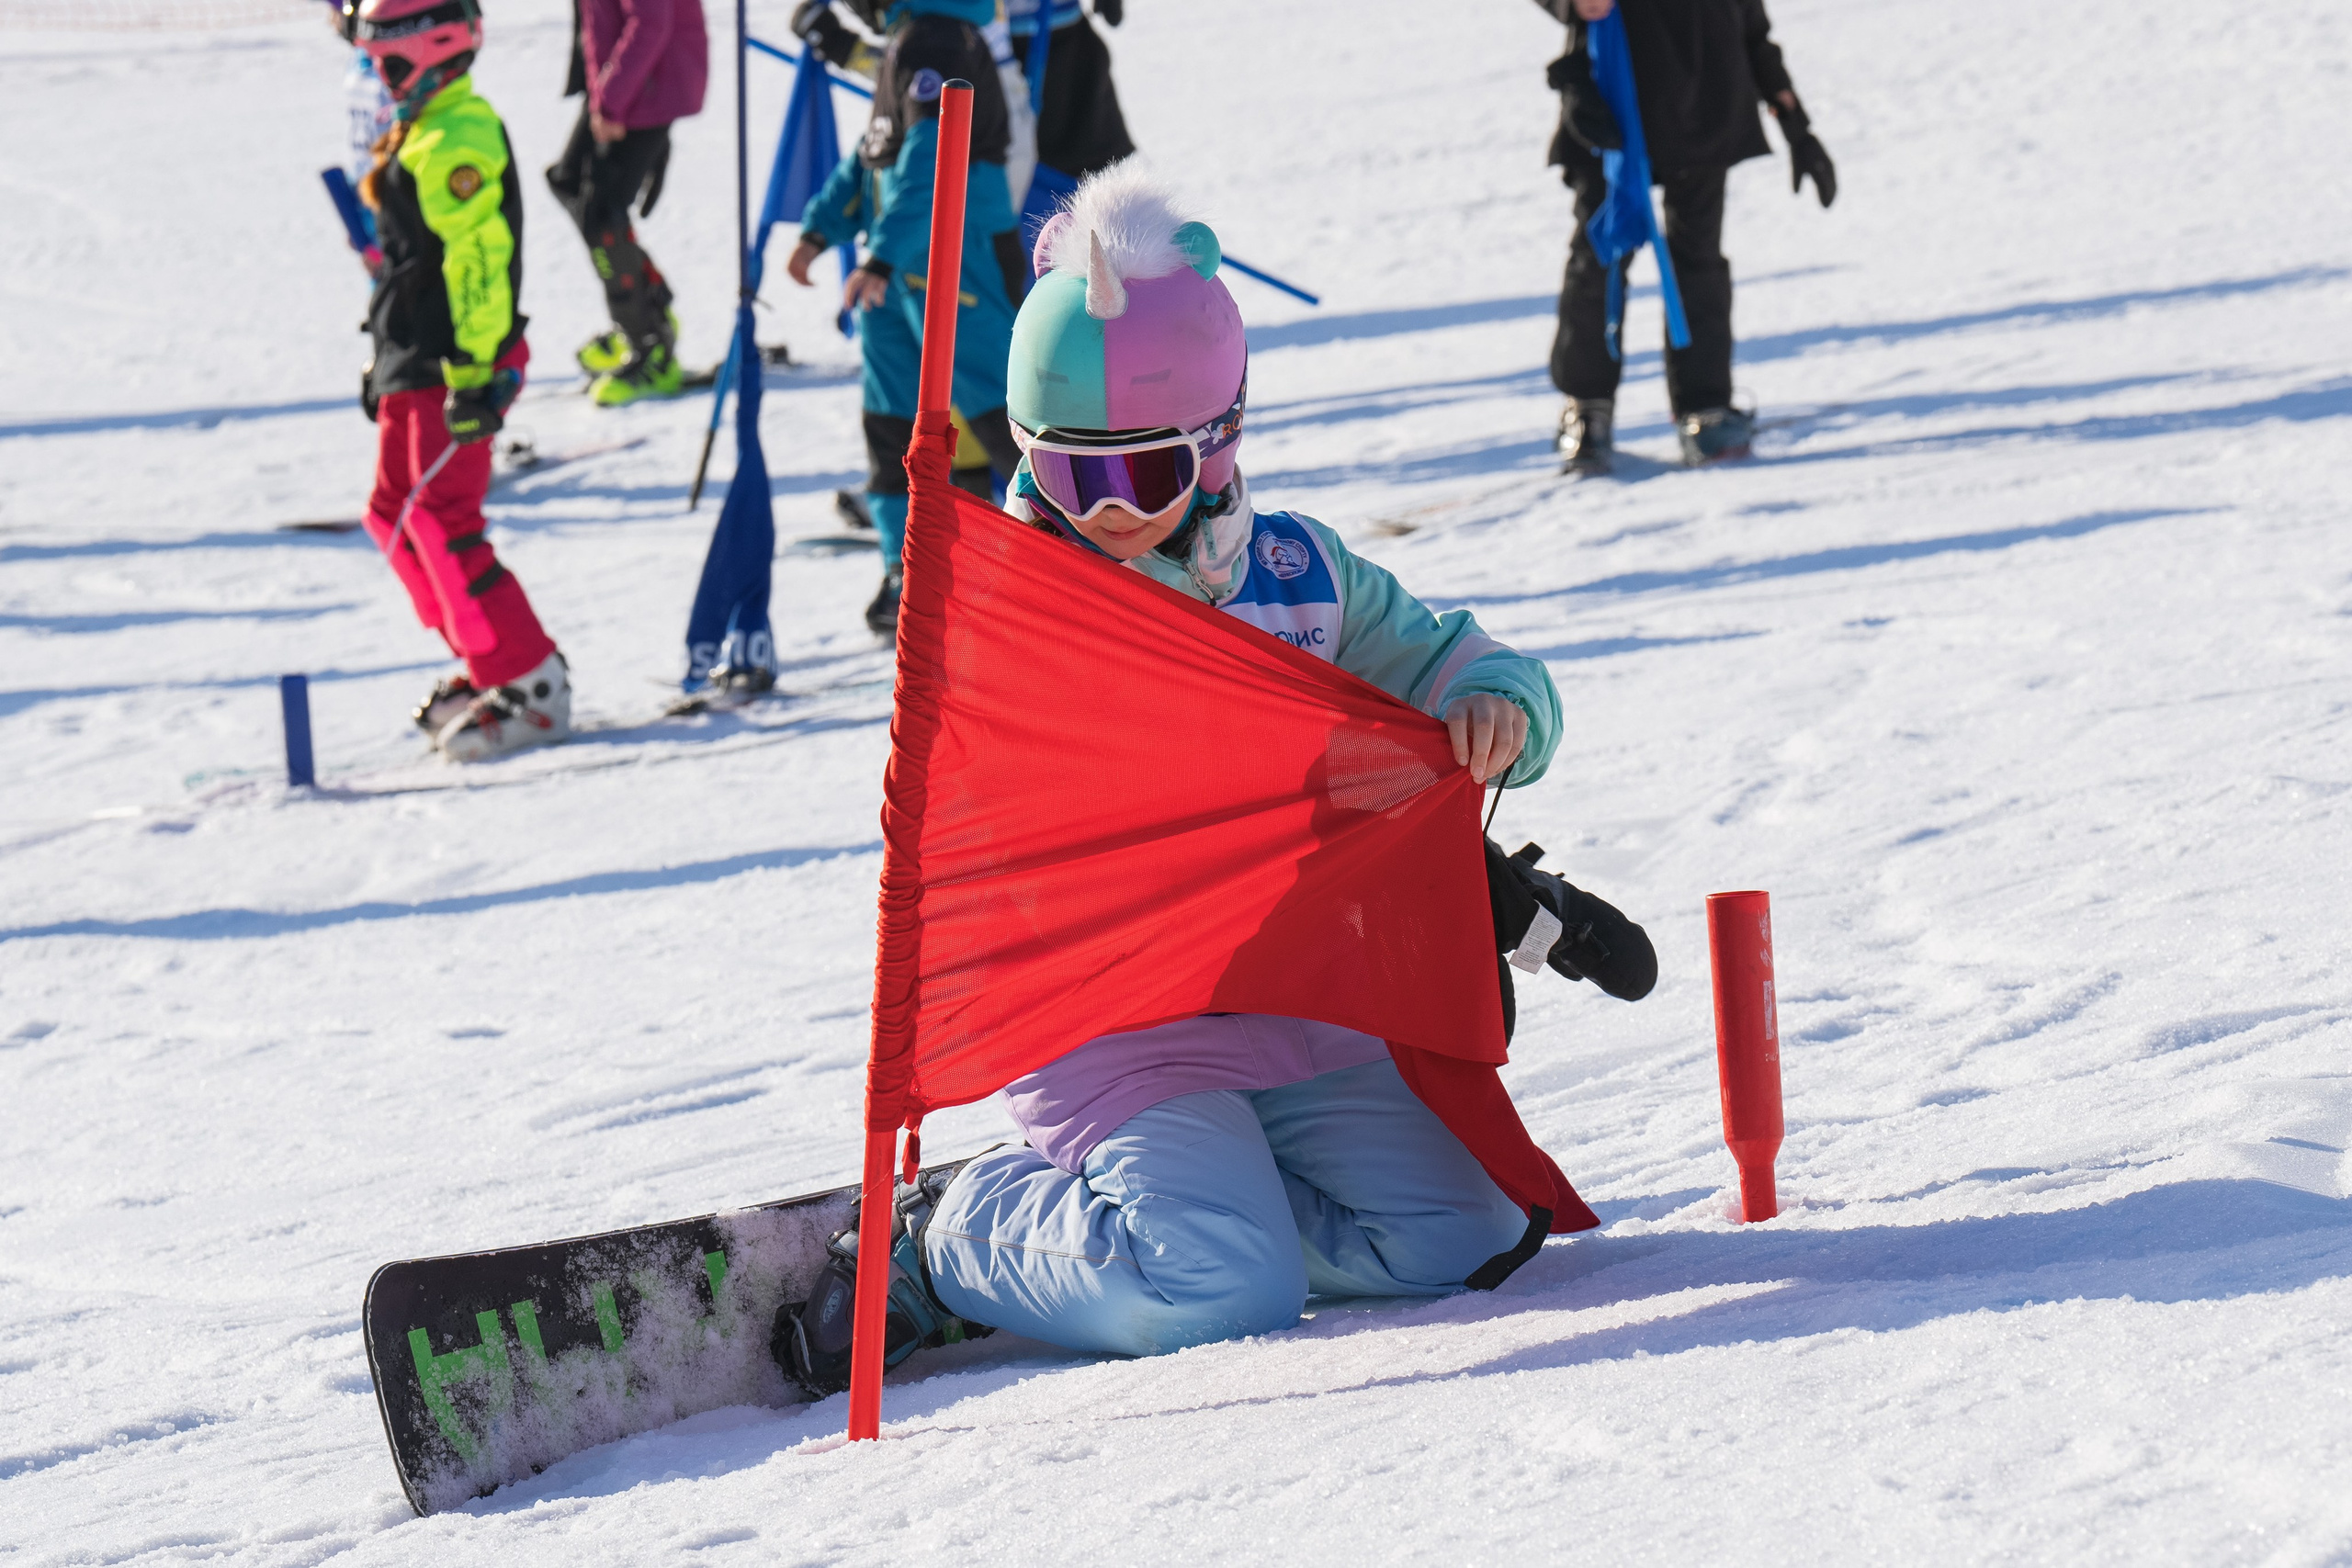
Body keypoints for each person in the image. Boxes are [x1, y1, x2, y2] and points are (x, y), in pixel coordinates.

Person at [781, 168, 1656, 1388]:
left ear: (1220, 437)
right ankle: (946, 1236)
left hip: (1287, 994)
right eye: (1063, 474)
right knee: (1220, 1286)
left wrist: (1497, 708)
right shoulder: (1009, 610)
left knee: (1465, 1234)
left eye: (1142, 474)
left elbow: (1463, 661)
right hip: (1106, 1010)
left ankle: (1179, 1210)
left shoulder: (1299, 575)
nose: (1103, 511)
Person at [354, 0, 572, 761]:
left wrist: (476, 372)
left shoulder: (457, 134)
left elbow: (478, 259)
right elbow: (408, 268)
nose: (377, 79)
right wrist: (383, 361)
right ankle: (485, 662)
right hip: (415, 363)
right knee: (393, 514)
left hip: (458, 365)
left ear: (430, 49)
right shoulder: (421, 129)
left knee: (441, 517)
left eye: (383, 62)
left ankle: (529, 681)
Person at [785, 0, 1030, 637]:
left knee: (993, 405)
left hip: (957, 246)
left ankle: (1074, 546)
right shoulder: (905, 40)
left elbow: (931, 154)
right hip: (897, 258)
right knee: (894, 419)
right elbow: (877, 151)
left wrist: (885, 258)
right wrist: (820, 226)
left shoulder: (938, 38)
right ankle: (910, 569)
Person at [1536, 0, 1835, 471]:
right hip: (1612, 98)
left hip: (1705, 100)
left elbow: (1750, 26)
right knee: (1599, 255)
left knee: (1697, 259)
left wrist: (1796, 124)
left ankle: (1705, 409)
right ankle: (1587, 408)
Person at [548, 0, 707, 407]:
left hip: (641, 88)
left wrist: (612, 100)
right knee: (570, 183)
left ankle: (650, 344)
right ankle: (645, 314)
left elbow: (651, 22)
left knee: (601, 214)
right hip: (625, 84)